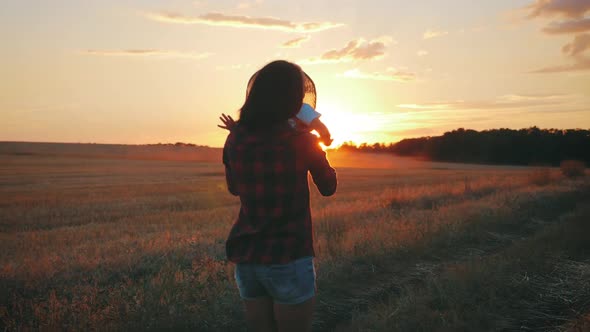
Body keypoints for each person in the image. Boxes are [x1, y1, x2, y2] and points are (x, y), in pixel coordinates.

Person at [219, 60, 337, 332]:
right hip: (288, 257)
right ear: (294, 99)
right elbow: (328, 186)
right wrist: (318, 150)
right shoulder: (302, 140)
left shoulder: (235, 139)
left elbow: (234, 188)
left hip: (247, 257)